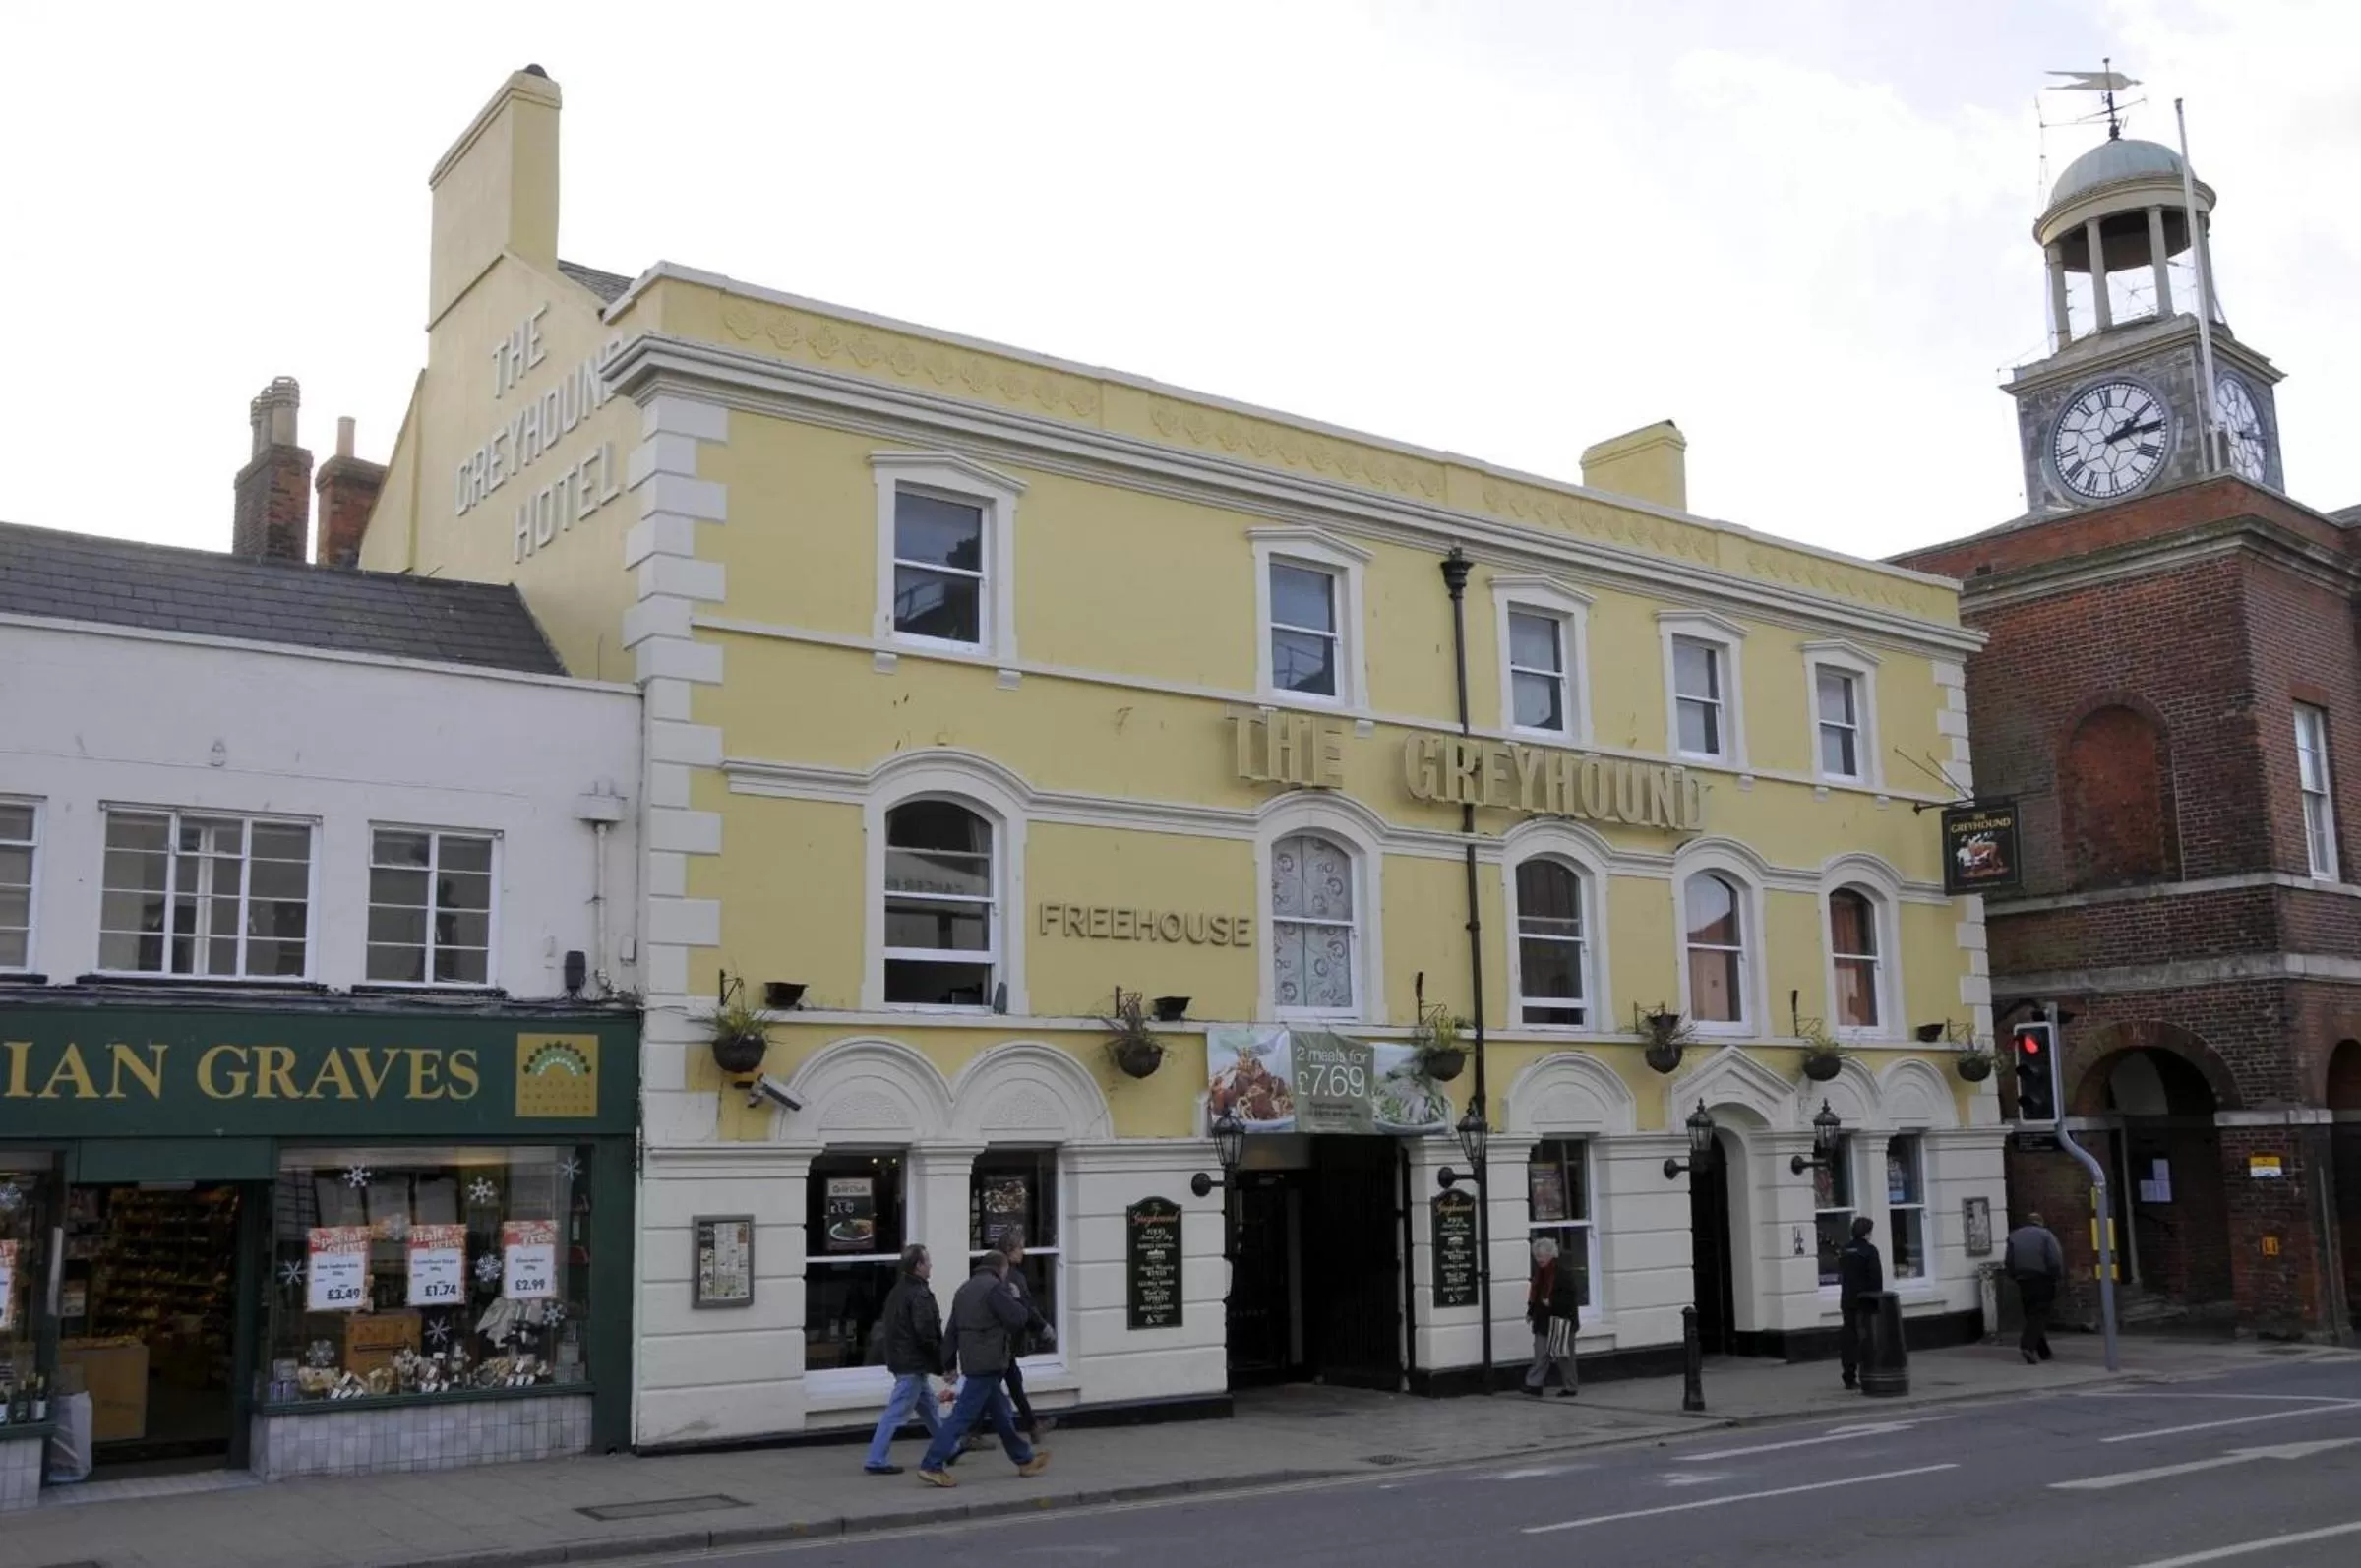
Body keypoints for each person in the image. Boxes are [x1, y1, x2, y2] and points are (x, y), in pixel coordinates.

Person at [915, 1249, 1049, 1488]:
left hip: (973, 1361)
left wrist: (949, 1364)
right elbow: (1017, 1319)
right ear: (1002, 1268)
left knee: (1002, 1413)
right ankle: (932, 1464)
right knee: (961, 1416)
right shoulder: (995, 1289)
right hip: (989, 1362)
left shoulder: (964, 1289)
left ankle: (1024, 1460)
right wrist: (1017, 1298)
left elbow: (952, 1331)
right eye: (1007, 1270)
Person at [861, 1245, 945, 1475]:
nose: (930, 1266)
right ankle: (876, 1459)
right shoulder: (918, 1294)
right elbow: (925, 1334)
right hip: (913, 1363)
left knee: (930, 1409)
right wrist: (942, 1363)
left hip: (902, 1360)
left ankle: (950, 1446)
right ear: (918, 1266)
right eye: (927, 1261)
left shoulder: (897, 1291)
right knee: (896, 1413)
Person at [982, 1232, 1056, 1444]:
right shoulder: (1012, 1276)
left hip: (1000, 1340)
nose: (1023, 1252)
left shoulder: (995, 1273)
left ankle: (1032, 1426)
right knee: (990, 1387)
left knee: (1010, 1383)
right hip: (1005, 1340)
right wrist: (1042, 1327)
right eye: (1020, 1248)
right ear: (1009, 1250)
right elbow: (1026, 1308)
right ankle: (970, 1432)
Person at [2006, 1211, 2066, 1364]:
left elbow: (2009, 1261)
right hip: (2042, 1278)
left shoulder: (2014, 1236)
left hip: (2023, 1280)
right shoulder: (2046, 1236)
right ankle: (2027, 1346)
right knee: (2039, 1314)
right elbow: (2054, 1259)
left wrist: (2014, 1276)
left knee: (2032, 1313)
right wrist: (2056, 1276)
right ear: (2040, 1222)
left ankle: (2044, 1352)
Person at [1523, 1236, 1580, 1397]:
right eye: (1536, 1256)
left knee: (1564, 1355)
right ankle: (1534, 1384)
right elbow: (1535, 1295)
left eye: (1541, 1256)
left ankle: (1570, 1386)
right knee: (1540, 1353)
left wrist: (1552, 1303)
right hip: (1543, 1320)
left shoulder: (1563, 1273)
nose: (1538, 1259)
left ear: (1551, 1255)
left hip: (1563, 1321)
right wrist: (1530, 1312)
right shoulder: (1539, 1274)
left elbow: (1571, 1298)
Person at [1837, 1216, 1883, 1391]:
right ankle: (1868, 1371)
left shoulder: (1845, 1250)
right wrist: (1877, 1300)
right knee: (1866, 1338)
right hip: (1865, 1301)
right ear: (1867, 1233)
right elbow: (1876, 1279)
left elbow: (1842, 1272)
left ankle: (1849, 1375)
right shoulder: (1870, 1252)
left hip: (1847, 1300)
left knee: (1849, 1338)